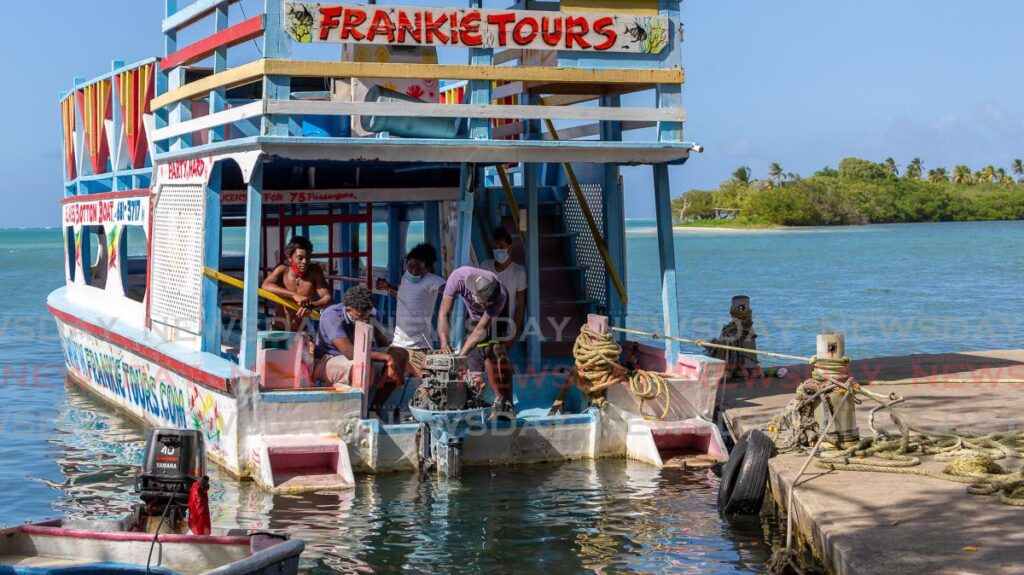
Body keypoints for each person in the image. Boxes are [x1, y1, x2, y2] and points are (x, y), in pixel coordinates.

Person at [437, 266, 515, 419]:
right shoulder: (457, 278)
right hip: (473, 315)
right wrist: (444, 343)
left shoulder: (499, 297)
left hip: (496, 315)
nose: (485, 307)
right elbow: (443, 313)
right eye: (483, 303)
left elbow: (480, 330)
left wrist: (461, 356)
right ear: (473, 294)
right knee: (484, 352)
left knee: (497, 349)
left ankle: (509, 404)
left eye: (487, 305)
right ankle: (500, 401)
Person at [314, 286, 402, 415]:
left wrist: (392, 361)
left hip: (360, 351)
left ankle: (375, 409)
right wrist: (386, 358)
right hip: (330, 357)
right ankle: (356, 412)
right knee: (363, 367)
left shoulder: (370, 312)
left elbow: (381, 340)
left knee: (400, 355)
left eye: (367, 311)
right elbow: (350, 353)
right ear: (349, 309)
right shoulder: (331, 316)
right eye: (360, 313)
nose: (365, 315)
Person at [375, 243, 445, 380]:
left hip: (420, 345)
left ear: (428, 269)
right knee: (387, 379)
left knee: (429, 386)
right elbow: (406, 297)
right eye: (410, 267)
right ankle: (376, 403)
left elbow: (449, 289)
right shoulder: (405, 278)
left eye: (419, 269)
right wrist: (388, 288)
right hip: (398, 343)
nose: (413, 271)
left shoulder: (432, 280)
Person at [261, 236, 332, 332]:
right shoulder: (282, 270)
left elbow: (327, 298)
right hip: (278, 329)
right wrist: (294, 295)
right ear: (290, 258)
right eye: (300, 258)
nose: (305, 262)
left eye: (308, 258)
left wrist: (312, 305)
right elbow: (265, 285)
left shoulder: (314, 272)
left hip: (302, 330)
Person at [480, 227, 527, 345]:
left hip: (505, 330)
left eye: (502, 247)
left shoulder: (519, 272)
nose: (498, 250)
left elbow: (521, 306)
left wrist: (513, 333)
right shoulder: (485, 266)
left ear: (510, 247)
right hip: (484, 328)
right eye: (495, 248)